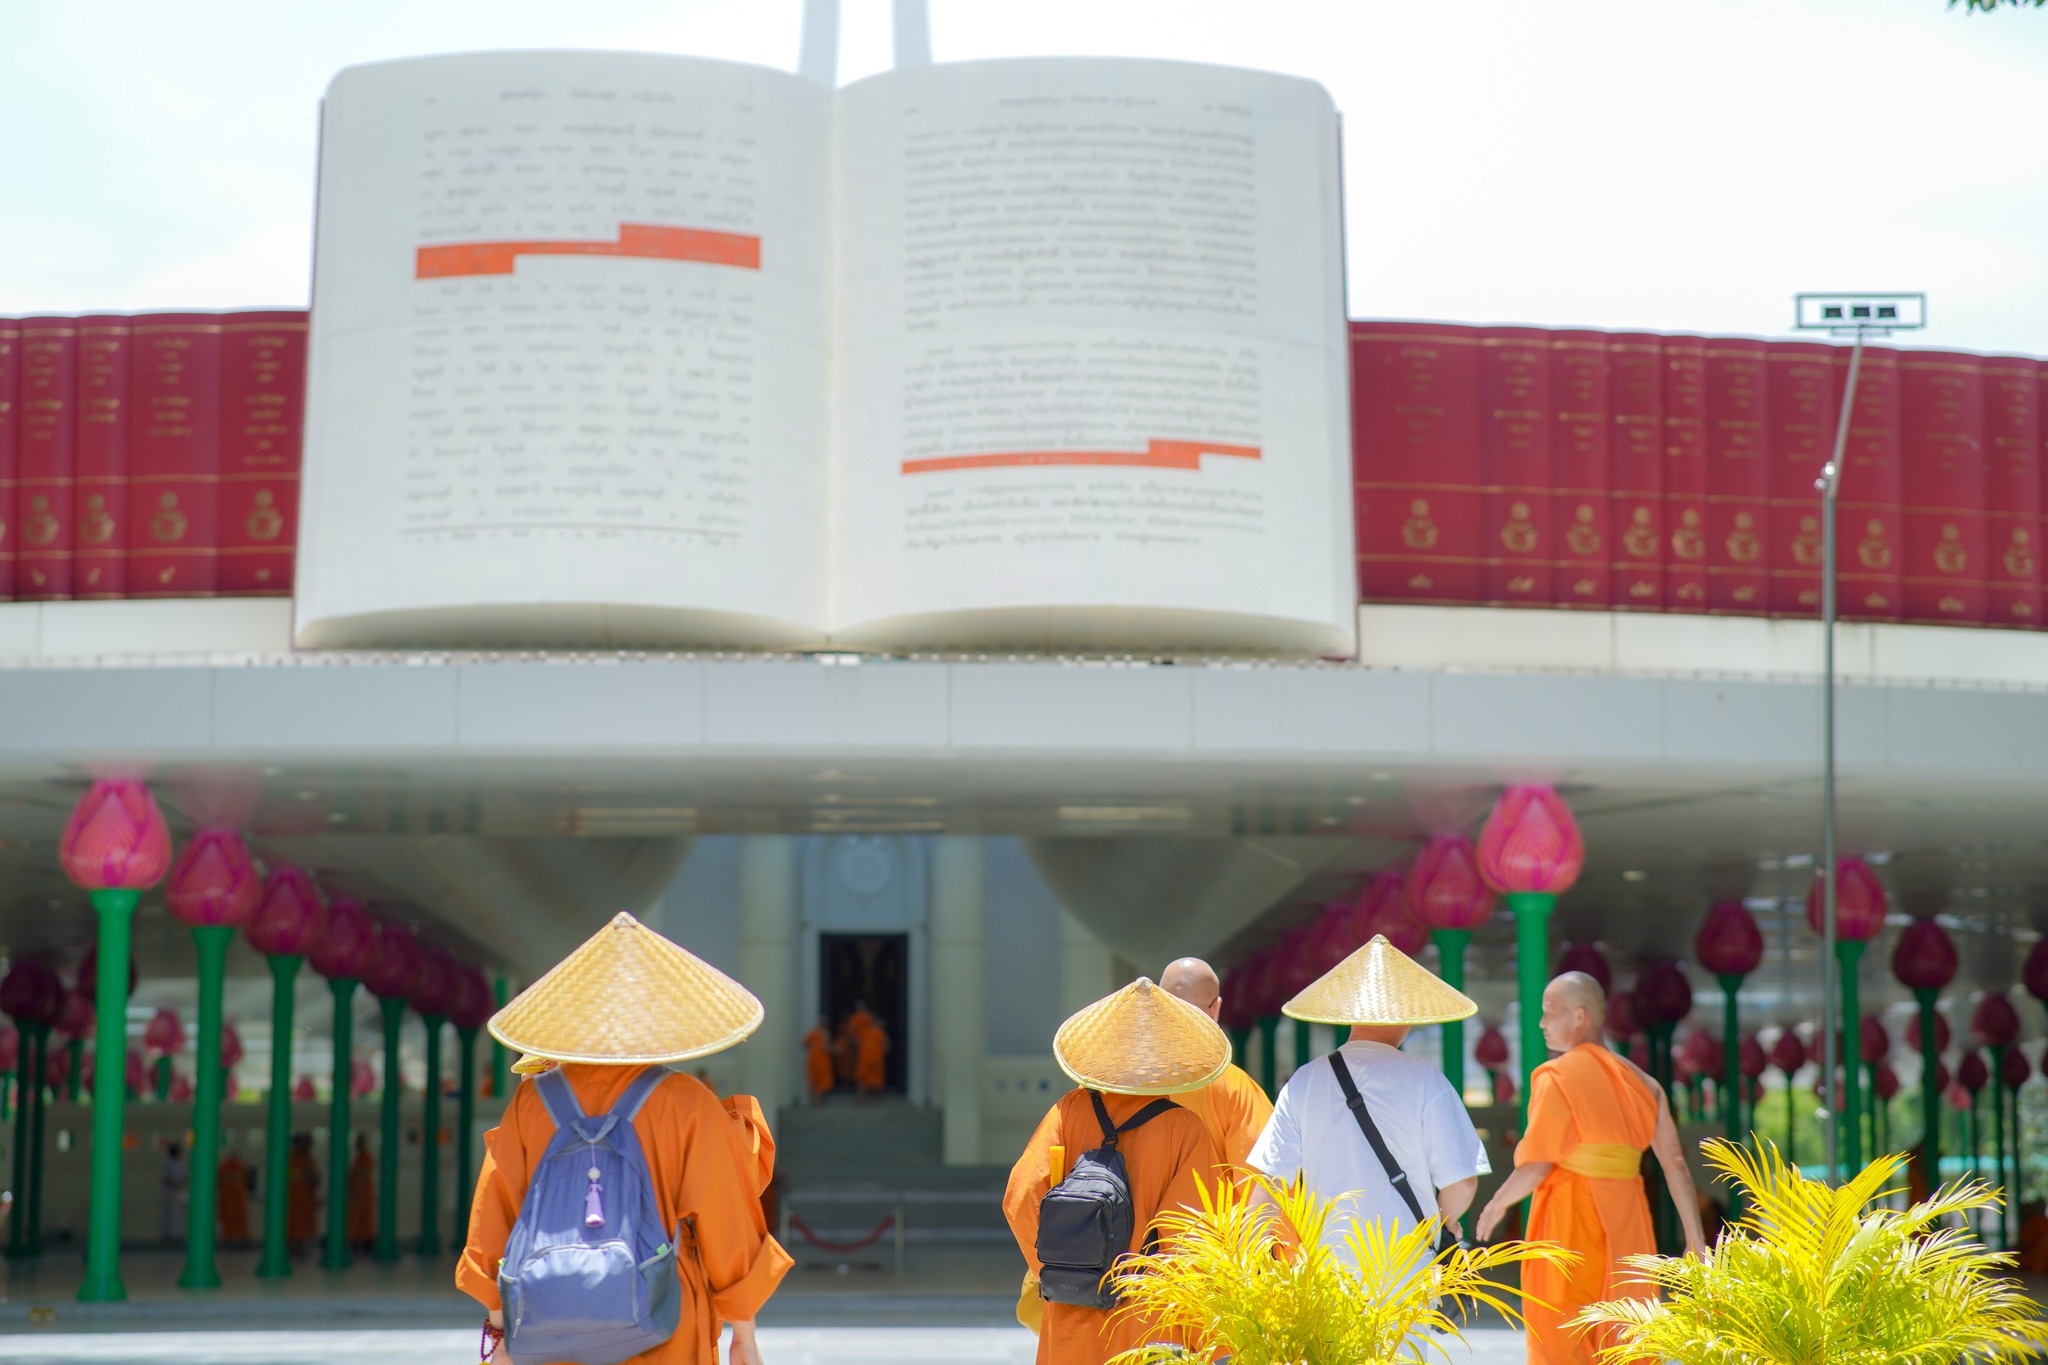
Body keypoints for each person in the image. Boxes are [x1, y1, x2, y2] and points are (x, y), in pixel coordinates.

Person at [458, 912, 791, 1365]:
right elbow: (726, 1224)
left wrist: (498, 1330)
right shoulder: (687, 1102)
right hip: (662, 1319)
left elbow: (494, 1221)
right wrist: (744, 1332)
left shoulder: (530, 1102)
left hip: (553, 1322)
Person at [1475, 971, 1706, 1365]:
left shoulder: (1558, 1077)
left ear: (1579, 1016)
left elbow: (1537, 1166)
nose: (1542, 1024)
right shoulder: (1646, 1084)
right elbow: (1676, 1165)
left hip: (1569, 1220)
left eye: (1549, 1013)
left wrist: (1497, 1203)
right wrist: (1694, 1241)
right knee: (1627, 1330)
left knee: (1562, 1330)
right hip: (1629, 1220)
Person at [1004, 977, 1228, 1365]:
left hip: (1070, 1308)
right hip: (1146, 1320)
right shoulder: (1185, 1129)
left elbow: (1021, 1197)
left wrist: (1060, 1269)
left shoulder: (1069, 1110)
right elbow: (1190, 1243)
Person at [1246, 934, 1489, 1273]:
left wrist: (1246, 1267)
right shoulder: (1425, 1080)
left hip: (1328, 1279)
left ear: (1349, 1011)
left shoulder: (1304, 1081)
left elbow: (1270, 1183)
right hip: (1406, 1275)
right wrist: (1441, 1226)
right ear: (1408, 1015)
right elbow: (1462, 1182)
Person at [1158, 957, 1274, 1167]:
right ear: (1215, 1009)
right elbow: (1261, 1185)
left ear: (1156, 1005)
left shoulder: (1111, 1083)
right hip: (1207, 1201)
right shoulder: (1236, 1088)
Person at [216, 1140, 253, 1247]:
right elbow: (249, 1181)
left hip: (226, 1199)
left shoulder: (222, 1167)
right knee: (241, 1220)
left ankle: (227, 1241)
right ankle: (244, 1240)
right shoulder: (241, 1166)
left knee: (227, 1221)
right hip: (239, 1198)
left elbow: (217, 1182)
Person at [286, 1133, 319, 1253]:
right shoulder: (290, 1158)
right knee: (292, 1222)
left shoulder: (309, 1159)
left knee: (303, 1224)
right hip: (292, 1199)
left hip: (305, 1199)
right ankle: (292, 1245)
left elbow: (314, 1179)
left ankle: (299, 1245)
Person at [346, 1132, 376, 1252]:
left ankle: (361, 1245)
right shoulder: (360, 1157)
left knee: (360, 1220)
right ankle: (359, 1244)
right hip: (360, 1194)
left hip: (361, 1195)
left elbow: (362, 1176)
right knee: (358, 1220)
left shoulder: (365, 1157)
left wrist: (356, 1193)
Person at [853, 1011, 889, 1098]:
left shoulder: (879, 1032)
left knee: (877, 1077)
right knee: (862, 1077)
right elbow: (856, 1041)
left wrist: (882, 1052)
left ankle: (878, 1096)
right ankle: (860, 1097)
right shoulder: (863, 1031)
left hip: (876, 1059)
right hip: (865, 1059)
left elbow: (886, 1044)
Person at [161, 1141, 190, 1244]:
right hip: (170, 1191)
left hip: (180, 1190)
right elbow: (165, 1177)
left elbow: (185, 1176)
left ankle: (178, 1235)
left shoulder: (182, 1162)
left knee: (179, 1215)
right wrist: (174, 1184)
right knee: (170, 1214)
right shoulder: (168, 1162)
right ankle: (169, 1236)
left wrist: (180, 1184)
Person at [801, 1016, 835, 1102]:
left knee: (822, 1081)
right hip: (816, 1060)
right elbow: (803, 1043)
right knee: (817, 1081)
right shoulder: (818, 1033)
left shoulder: (821, 1034)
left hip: (820, 1060)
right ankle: (816, 1099)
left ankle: (816, 1099)